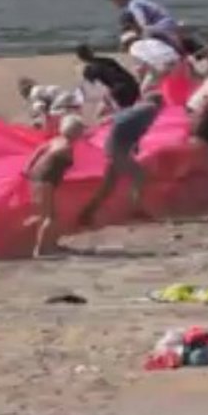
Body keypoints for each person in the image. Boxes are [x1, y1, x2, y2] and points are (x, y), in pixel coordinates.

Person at [77, 91, 164, 226]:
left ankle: (86, 213)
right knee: (139, 175)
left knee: (109, 186)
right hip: (118, 147)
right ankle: (135, 209)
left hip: (115, 146)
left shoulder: (140, 109)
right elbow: (126, 122)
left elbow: (123, 121)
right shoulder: (150, 109)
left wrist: (133, 144)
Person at [22, 115, 85, 258]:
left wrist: (28, 167)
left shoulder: (56, 141)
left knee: (43, 214)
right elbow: (67, 166)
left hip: (36, 176)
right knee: (49, 217)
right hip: (46, 180)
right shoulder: (67, 148)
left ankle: (48, 244)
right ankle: (41, 249)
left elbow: (39, 150)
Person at [109, 0, 182, 47]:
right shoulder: (137, 1)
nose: (114, 3)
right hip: (167, 23)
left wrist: (138, 37)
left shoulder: (134, 5)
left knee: (134, 36)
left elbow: (143, 23)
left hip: (163, 25)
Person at [76, 43, 140, 114]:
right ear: (91, 52)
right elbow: (124, 73)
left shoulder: (89, 70)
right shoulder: (108, 60)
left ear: (80, 58)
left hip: (119, 91)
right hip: (132, 85)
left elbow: (95, 90)